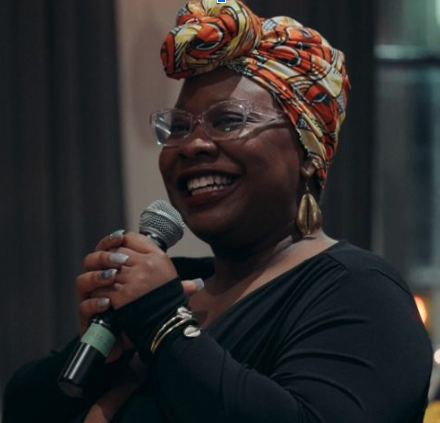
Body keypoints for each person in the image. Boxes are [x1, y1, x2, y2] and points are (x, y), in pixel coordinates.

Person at [2, 1, 432, 422]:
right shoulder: (180, 283)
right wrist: (104, 359)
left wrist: (164, 324)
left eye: (228, 121)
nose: (191, 145)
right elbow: (21, 406)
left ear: (308, 153)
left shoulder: (361, 292)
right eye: (178, 127)